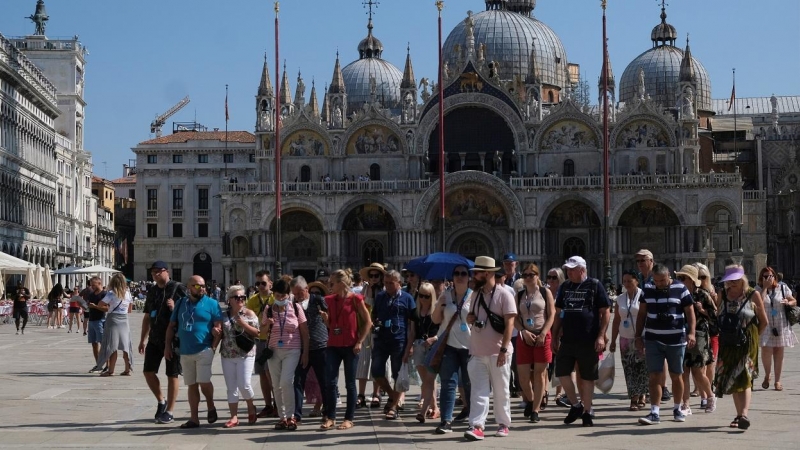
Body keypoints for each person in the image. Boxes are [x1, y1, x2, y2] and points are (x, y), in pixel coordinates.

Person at [550, 256, 611, 427]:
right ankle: (576, 405)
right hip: (567, 339)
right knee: (562, 372)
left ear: (582, 270)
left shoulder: (594, 285)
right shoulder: (565, 287)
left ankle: (587, 412)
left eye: (571, 269)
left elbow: (605, 311)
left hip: (588, 339)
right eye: (567, 269)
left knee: (587, 377)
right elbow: (559, 313)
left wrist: (601, 335)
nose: (568, 272)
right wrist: (554, 336)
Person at [635, 264, 697, 425]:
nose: (659, 284)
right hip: (653, 338)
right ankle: (654, 411)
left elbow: (690, 312)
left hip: (676, 339)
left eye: (662, 280)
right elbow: (642, 314)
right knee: (654, 375)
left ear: (669, 275)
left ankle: (677, 408)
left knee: (676, 375)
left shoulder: (681, 288)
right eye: (656, 281)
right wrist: (637, 336)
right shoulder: (648, 289)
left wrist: (691, 333)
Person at [463, 256, 517, 441]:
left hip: (498, 352)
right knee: (478, 391)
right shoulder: (476, 294)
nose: (474, 276)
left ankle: (503, 423)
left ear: (487, 273)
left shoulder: (504, 294)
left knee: (501, 390)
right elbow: (471, 315)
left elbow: (510, 324)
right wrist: (470, 318)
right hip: (477, 351)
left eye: (476, 273)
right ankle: (477, 425)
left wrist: (503, 350)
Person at [165, 275, 223, 429]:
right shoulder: (181, 303)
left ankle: (210, 405)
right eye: (197, 286)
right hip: (185, 351)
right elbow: (171, 326)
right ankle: (194, 418)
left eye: (203, 285)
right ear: (189, 287)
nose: (202, 288)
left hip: (204, 349)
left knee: (203, 382)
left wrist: (213, 347)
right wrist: (167, 346)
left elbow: (219, 327)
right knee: (191, 385)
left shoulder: (212, 304)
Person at [714, 265, 768, 430]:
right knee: (732, 377)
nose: (733, 283)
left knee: (744, 375)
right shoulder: (722, 294)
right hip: (728, 342)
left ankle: (743, 414)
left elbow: (763, 321)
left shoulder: (753, 294)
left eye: (736, 279)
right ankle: (739, 415)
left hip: (747, 341)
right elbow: (718, 316)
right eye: (730, 280)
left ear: (743, 279)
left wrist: (753, 338)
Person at [320, 269, 372, 430]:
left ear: (342, 284)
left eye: (332, 283)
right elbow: (330, 326)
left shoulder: (356, 300)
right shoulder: (329, 300)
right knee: (330, 382)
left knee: (350, 383)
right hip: (333, 346)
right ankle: (330, 417)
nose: (329, 286)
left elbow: (368, 322)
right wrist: (326, 320)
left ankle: (349, 418)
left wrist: (360, 342)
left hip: (351, 347)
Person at [139, 261, 187, 424]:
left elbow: (189, 311)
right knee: (148, 372)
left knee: (172, 374)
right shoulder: (152, 291)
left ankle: (170, 411)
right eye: (153, 272)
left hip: (173, 339)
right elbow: (147, 316)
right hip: (155, 338)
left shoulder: (178, 288)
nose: (155, 274)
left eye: (158, 271)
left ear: (167, 271)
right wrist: (142, 339)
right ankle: (161, 400)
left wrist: (175, 307)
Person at [262, 279, 309, 431]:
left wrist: (305, 352)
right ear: (273, 294)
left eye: (283, 296)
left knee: (286, 381)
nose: (281, 299)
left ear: (288, 295)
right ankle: (282, 417)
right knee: (276, 385)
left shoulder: (296, 308)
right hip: (273, 350)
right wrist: (267, 324)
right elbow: (261, 333)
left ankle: (291, 416)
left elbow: (304, 331)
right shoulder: (268, 309)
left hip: (292, 350)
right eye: (278, 295)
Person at [432, 264, 472, 434]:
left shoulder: (474, 296)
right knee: (448, 383)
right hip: (448, 345)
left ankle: (473, 419)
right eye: (456, 273)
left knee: (470, 384)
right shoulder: (446, 295)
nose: (460, 276)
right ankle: (446, 421)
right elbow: (435, 320)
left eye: (463, 273)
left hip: (470, 347)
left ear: (469, 277)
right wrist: (439, 304)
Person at [372, 270, 416, 420]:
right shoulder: (380, 297)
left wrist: (411, 345)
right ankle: (392, 395)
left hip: (399, 340)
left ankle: (394, 407)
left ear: (400, 283)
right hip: (381, 339)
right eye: (385, 283)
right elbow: (374, 315)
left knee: (398, 374)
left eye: (391, 283)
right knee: (376, 371)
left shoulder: (408, 298)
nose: (388, 286)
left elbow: (413, 324)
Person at [515, 263, 554, 424]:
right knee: (523, 376)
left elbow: (551, 315)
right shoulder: (519, 295)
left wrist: (544, 333)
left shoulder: (545, 292)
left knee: (539, 374)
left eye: (531, 275)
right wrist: (523, 331)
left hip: (542, 335)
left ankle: (536, 410)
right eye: (525, 275)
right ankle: (530, 401)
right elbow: (515, 318)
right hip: (525, 336)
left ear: (537, 276)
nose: (528, 278)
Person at [216, 285, 259, 428]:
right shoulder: (224, 315)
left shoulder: (249, 314)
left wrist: (244, 324)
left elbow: (257, 333)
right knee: (231, 387)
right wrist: (215, 333)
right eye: (237, 297)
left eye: (243, 297)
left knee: (245, 384)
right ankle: (234, 416)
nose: (240, 300)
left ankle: (251, 406)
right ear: (229, 300)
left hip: (246, 353)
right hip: (227, 353)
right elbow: (221, 333)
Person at [675, 265, 715, 415]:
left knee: (698, 372)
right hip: (682, 335)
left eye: (683, 278)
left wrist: (702, 310)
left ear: (691, 280)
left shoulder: (703, 295)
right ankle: (686, 404)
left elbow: (714, 316)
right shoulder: (678, 294)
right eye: (679, 278)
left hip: (699, 336)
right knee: (683, 371)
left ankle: (710, 397)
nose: (680, 280)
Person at [290, 276, 329, 423]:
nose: (298, 296)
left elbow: (329, 319)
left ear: (306, 289)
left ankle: (327, 411)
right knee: (298, 381)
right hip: (301, 349)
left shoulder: (318, 300)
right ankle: (297, 415)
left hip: (321, 346)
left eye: (300, 293)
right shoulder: (293, 304)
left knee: (323, 381)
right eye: (295, 293)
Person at [609, 270, 648, 411]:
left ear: (636, 281)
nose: (626, 284)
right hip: (625, 339)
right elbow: (616, 321)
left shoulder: (643, 296)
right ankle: (633, 397)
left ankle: (642, 394)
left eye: (629, 281)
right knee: (629, 369)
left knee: (642, 368)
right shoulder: (620, 299)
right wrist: (613, 341)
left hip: (641, 337)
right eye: (624, 281)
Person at [635, 249, 671, 401]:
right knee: (649, 357)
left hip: (659, 322)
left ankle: (663, 388)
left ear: (651, 261)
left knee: (660, 357)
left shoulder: (656, 277)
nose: (640, 264)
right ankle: (652, 387)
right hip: (646, 321)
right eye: (638, 261)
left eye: (643, 260)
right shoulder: (639, 278)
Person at [756, 266, 797, 392]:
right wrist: (764, 287)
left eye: (771, 276)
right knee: (766, 351)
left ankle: (778, 381)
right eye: (765, 276)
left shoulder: (783, 288)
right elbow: (759, 304)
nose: (769, 278)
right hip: (766, 324)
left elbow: (794, 300)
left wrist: (788, 302)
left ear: (775, 276)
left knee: (779, 352)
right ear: (761, 278)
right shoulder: (758, 289)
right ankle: (768, 375)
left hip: (780, 323)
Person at [246, 270, 276, 418]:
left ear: (270, 283)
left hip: (273, 340)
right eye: (257, 283)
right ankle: (268, 405)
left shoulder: (275, 298)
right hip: (258, 340)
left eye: (263, 283)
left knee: (273, 373)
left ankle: (278, 404)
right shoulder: (252, 300)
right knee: (263, 374)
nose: (260, 286)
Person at [356, 263, 385, 409]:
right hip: (366, 329)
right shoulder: (364, 289)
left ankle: (376, 393)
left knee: (377, 362)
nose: (374, 278)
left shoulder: (385, 290)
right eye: (371, 275)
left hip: (380, 331)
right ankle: (361, 394)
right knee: (363, 361)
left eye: (377, 275)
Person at [411, 282, 441, 423]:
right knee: (425, 380)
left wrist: (434, 338)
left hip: (432, 346)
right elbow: (412, 332)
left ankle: (434, 407)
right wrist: (409, 347)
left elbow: (443, 330)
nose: (423, 299)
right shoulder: (415, 311)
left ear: (432, 296)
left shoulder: (436, 311)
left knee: (430, 379)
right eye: (421, 295)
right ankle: (432, 406)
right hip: (418, 345)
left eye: (427, 296)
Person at [95, 273, 134, 376]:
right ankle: (127, 369)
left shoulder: (111, 293)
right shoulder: (128, 293)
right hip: (124, 320)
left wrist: (111, 304)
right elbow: (130, 310)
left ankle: (111, 370)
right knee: (126, 345)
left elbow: (100, 304)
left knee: (112, 345)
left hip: (113, 319)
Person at [545, 267, 571, 407]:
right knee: (547, 364)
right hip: (546, 332)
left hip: (561, 332)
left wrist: (560, 329)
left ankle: (560, 394)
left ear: (560, 279)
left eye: (554, 277)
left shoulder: (565, 294)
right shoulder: (544, 293)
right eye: (549, 277)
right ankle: (544, 392)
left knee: (561, 364)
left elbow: (564, 313)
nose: (550, 280)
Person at [694, 262, 718, 407]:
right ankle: (703, 394)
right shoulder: (691, 293)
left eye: (703, 276)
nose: (701, 279)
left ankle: (708, 389)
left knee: (710, 366)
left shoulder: (711, 291)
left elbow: (715, 314)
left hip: (712, 333)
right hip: (698, 333)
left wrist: (703, 310)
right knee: (699, 366)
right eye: (698, 276)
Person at [85, 277, 108, 372]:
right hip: (91, 320)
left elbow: (107, 308)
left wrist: (96, 307)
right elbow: (89, 305)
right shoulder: (91, 294)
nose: (92, 287)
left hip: (100, 320)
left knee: (103, 343)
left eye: (93, 285)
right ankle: (99, 364)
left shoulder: (104, 294)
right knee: (94, 343)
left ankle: (108, 365)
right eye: (91, 285)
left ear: (99, 283)